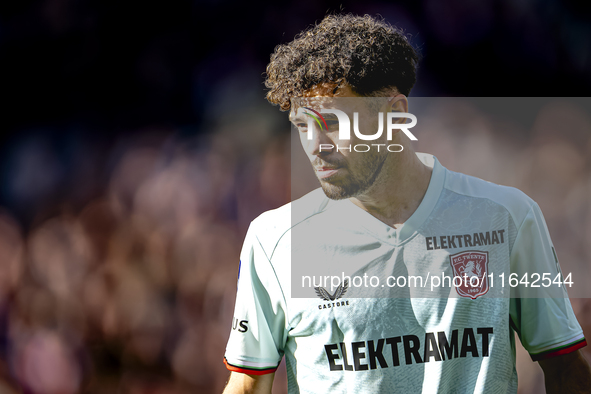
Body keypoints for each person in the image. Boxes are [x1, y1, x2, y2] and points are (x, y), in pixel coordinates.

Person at [222, 14, 591, 393]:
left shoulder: (507, 216)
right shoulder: (274, 239)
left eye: (331, 122)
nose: (316, 146)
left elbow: (565, 369)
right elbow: (248, 385)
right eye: (303, 125)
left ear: (394, 114)